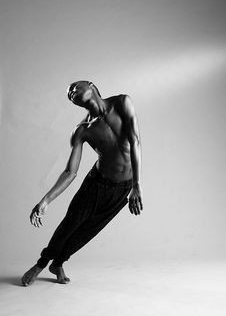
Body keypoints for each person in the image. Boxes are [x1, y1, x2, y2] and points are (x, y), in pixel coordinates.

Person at [21, 80, 143, 286]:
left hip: (124, 188)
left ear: (91, 85)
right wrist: (45, 201)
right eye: (68, 94)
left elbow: (135, 141)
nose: (70, 92)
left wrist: (136, 185)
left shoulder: (123, 103)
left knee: (88, 231)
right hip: (96, 185)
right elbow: (70, 171)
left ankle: (58, 263)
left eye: (73, 87)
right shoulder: (82, 130)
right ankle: (41, 263)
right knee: (70, 224)